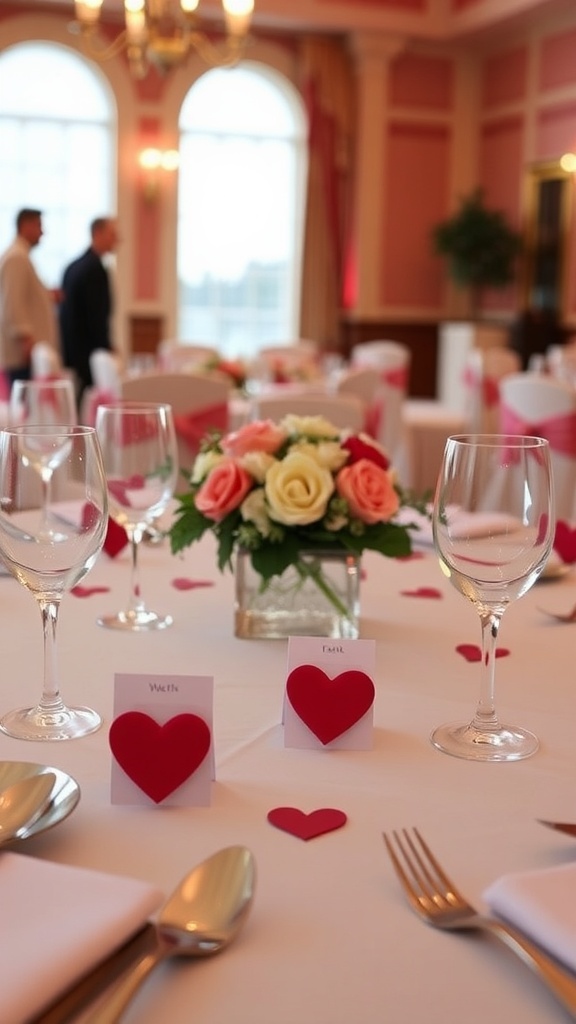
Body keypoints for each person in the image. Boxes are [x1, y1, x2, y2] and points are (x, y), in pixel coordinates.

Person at [59, 216, 119, 399]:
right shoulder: (94, 270)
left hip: (72, 350)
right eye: (112, 234)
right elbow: (96, 316)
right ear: (97, 233)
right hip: (89, 353)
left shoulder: (73, 266)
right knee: (88, 398)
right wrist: (106, 346)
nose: (116, 239)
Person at [0, 208, 58, 384]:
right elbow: (13, 303)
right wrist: (25, 339)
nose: (42, 232)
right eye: (38, 226)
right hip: (22, 351)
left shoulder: (21, 255)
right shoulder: (17, 257)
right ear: (25, 226)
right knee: (23, 404)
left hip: (27, 349)